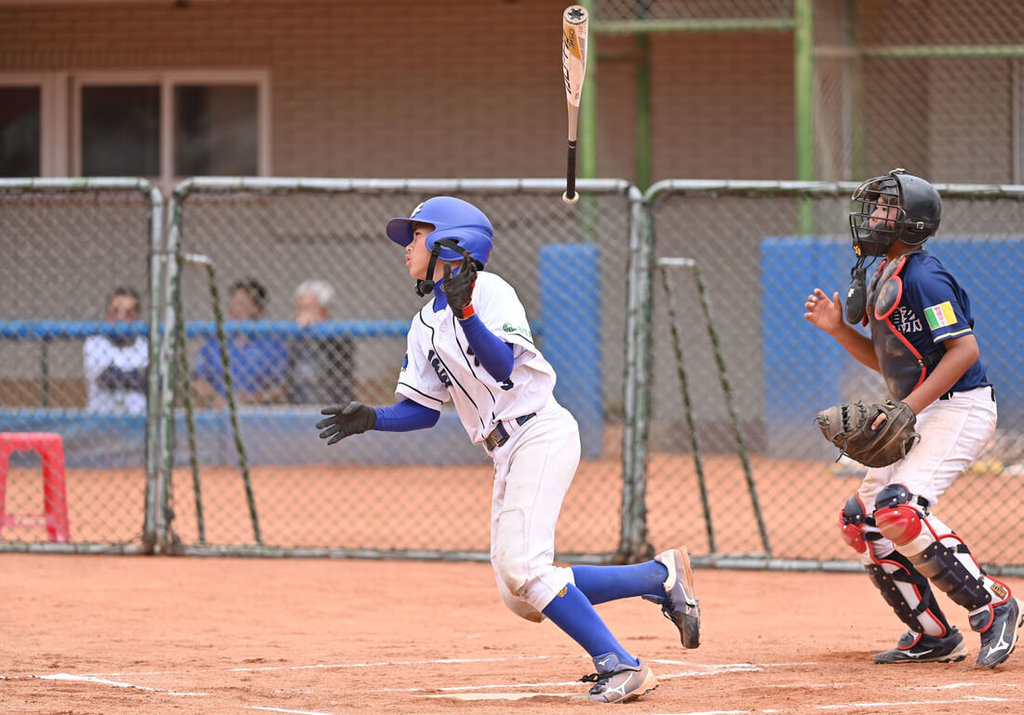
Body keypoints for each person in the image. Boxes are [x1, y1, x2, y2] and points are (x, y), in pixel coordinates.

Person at [315, 196, 700, 703]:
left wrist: (467, 310)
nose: (406, 245)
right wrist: (372, 419)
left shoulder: (491, 292)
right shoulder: (421, 325)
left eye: (416, 234)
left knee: (526, 568)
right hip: (504, 451)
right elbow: (423, 411)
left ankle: (621, 664)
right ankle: (658, 576)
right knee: (521, 596)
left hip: (539, 431)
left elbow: (501, 367)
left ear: (449, 242)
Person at [804, 168, 1021, 668]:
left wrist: (907, 408)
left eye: (885, 209)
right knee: (862, 520)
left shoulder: (924, 276)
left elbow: (963, 351)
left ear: (912, 223)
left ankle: (993, 604)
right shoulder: (886, 274)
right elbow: (889, 361)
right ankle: (933, 634)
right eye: (876, 207)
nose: (874, 217)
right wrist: (839, 329)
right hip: (923, 409)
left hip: (959, 407)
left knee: (900, 509)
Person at [192, 277, 287, 408]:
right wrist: (216, 398)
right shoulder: (215, 344)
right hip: (218, 410)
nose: (235, 309)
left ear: (258, 309)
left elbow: (282, 387)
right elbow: (198, 380)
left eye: (243, 303)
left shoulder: (272, 346)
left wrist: (253, 399)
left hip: (259, 412)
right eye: (233, 303)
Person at [287, 279, 355, 404]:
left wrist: (315, 329)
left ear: (326, 311)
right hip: (298, 404)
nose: (301, 314)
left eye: (308, 308)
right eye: (299, 309)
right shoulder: (294, 337)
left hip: (332, 403)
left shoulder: (339, 337)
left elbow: (338, 350)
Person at [83, 286, 148, 414]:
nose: (121, 317)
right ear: (107, 314)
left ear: (137, 314)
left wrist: (138, 378)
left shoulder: (147, 343)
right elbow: (106, 378)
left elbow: (158, 381)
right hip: (100, 418)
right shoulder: (95, 342)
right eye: (115, 311)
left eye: (129, 312)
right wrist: (139, 377)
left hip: (140, 420)